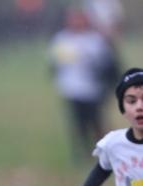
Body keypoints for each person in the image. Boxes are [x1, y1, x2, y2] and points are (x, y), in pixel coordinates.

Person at [49, 7, 119, 162]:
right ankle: (82, 153)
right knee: (78, 123)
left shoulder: (95, 39)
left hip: (93, 89)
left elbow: (107, 64)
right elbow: (55, 64)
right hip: (71, 89)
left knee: (96, 122)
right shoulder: (62, 39)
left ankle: (103, 150)